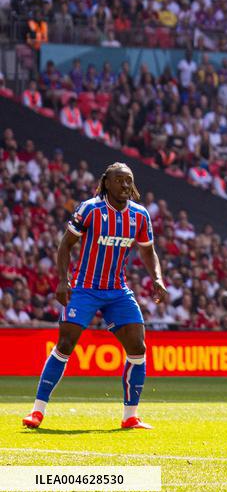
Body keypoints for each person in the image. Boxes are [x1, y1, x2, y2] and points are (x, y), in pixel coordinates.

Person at [22, 163, 168, 429]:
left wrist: (157, 277)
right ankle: (37, 411)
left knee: (138, 348)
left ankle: (130, 416)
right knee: (65, 344)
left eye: (129, 180)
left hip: (117, 290)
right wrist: (62, 281)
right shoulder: (90, 209)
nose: (125, 185)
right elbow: (65, 244)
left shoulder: (140, 215)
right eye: (120, 180)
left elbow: (148, 251)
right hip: (85, 288)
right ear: (107, 183)